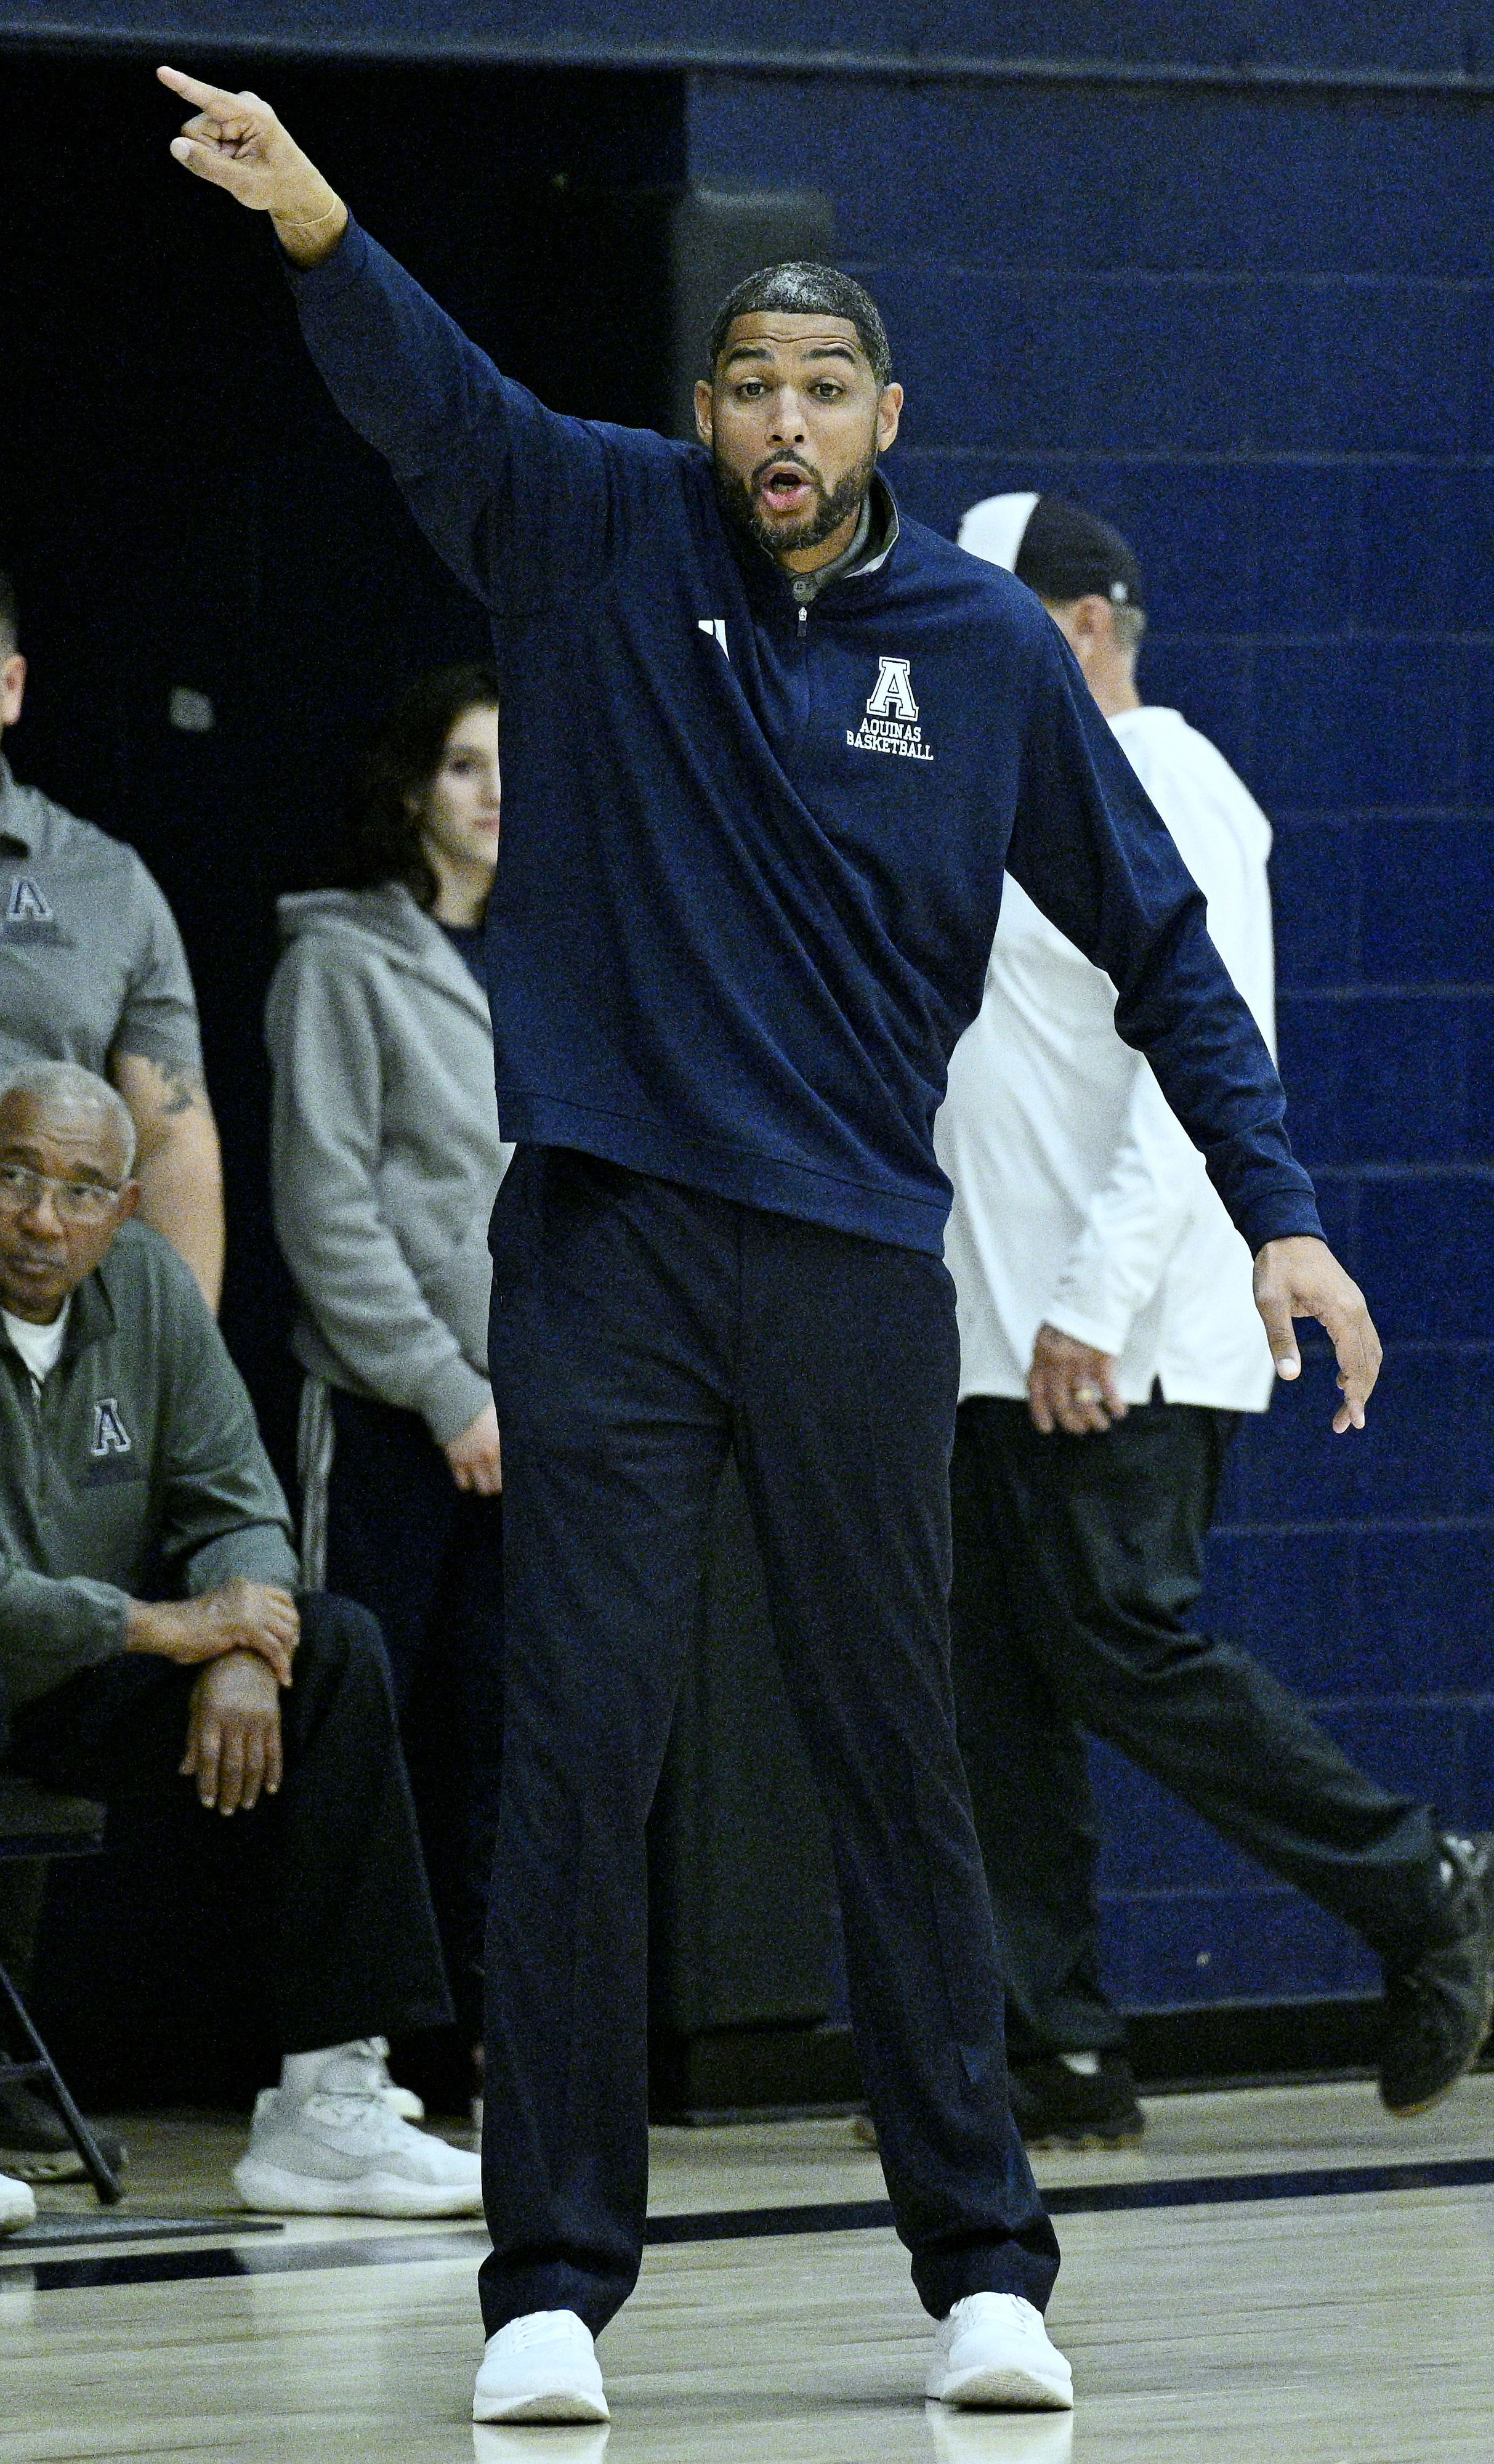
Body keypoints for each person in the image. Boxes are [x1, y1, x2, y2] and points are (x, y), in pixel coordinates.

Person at [158, 68, 1381, 2427]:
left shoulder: (989, 655)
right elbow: (433, 393)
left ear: (884, 415)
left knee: (889, 1753)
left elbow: (1158, 953)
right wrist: (315, 222)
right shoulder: (598, 531)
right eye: (749, 383)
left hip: (844, 1265)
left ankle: (984, 2259)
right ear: (703, 410)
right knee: (580, 1753)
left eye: (825, 385)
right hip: (605, 1240)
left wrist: (1281, 1222)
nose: (784, 418)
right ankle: (550, 2281)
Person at [941, 492, 1492, 2146]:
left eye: (993, 625)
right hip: (987, 1333)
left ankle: (1420, 1882)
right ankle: (1057, 2051)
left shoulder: (1171, 782)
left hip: (1115, 1337)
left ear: (1083, 627)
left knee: (1125, 1648)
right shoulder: (1006, 798)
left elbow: (1203, 1070)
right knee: (998, 1692)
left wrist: (1090, 1309)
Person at [0, 1058, 485, 2218]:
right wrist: (166, 1626)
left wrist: (237, 1649)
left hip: (75, 1683)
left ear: (124, 1210)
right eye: (14, 1175)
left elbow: (240, 1503)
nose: (39, 1217)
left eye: (79, 1190)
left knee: (333, 1649)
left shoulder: (151, 1290)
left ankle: (326, 2110)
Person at [267, 665, 511, 2097]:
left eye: (510, 768)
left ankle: (483, 2037)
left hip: (528, 1418)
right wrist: (441, 1386)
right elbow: (326, 1209)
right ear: (413, 787)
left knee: (502, 1738)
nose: (495, 795)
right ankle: (344, 2061)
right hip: (384, 1415)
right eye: (468, 766)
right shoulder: (340, 960)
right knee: (367, 1724)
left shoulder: (553, 950)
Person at [0, 567, 225, 1313]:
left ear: (10, 688)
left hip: (54, 1339)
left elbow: (169, 1146)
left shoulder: (107, 886)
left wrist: (182, 1376)